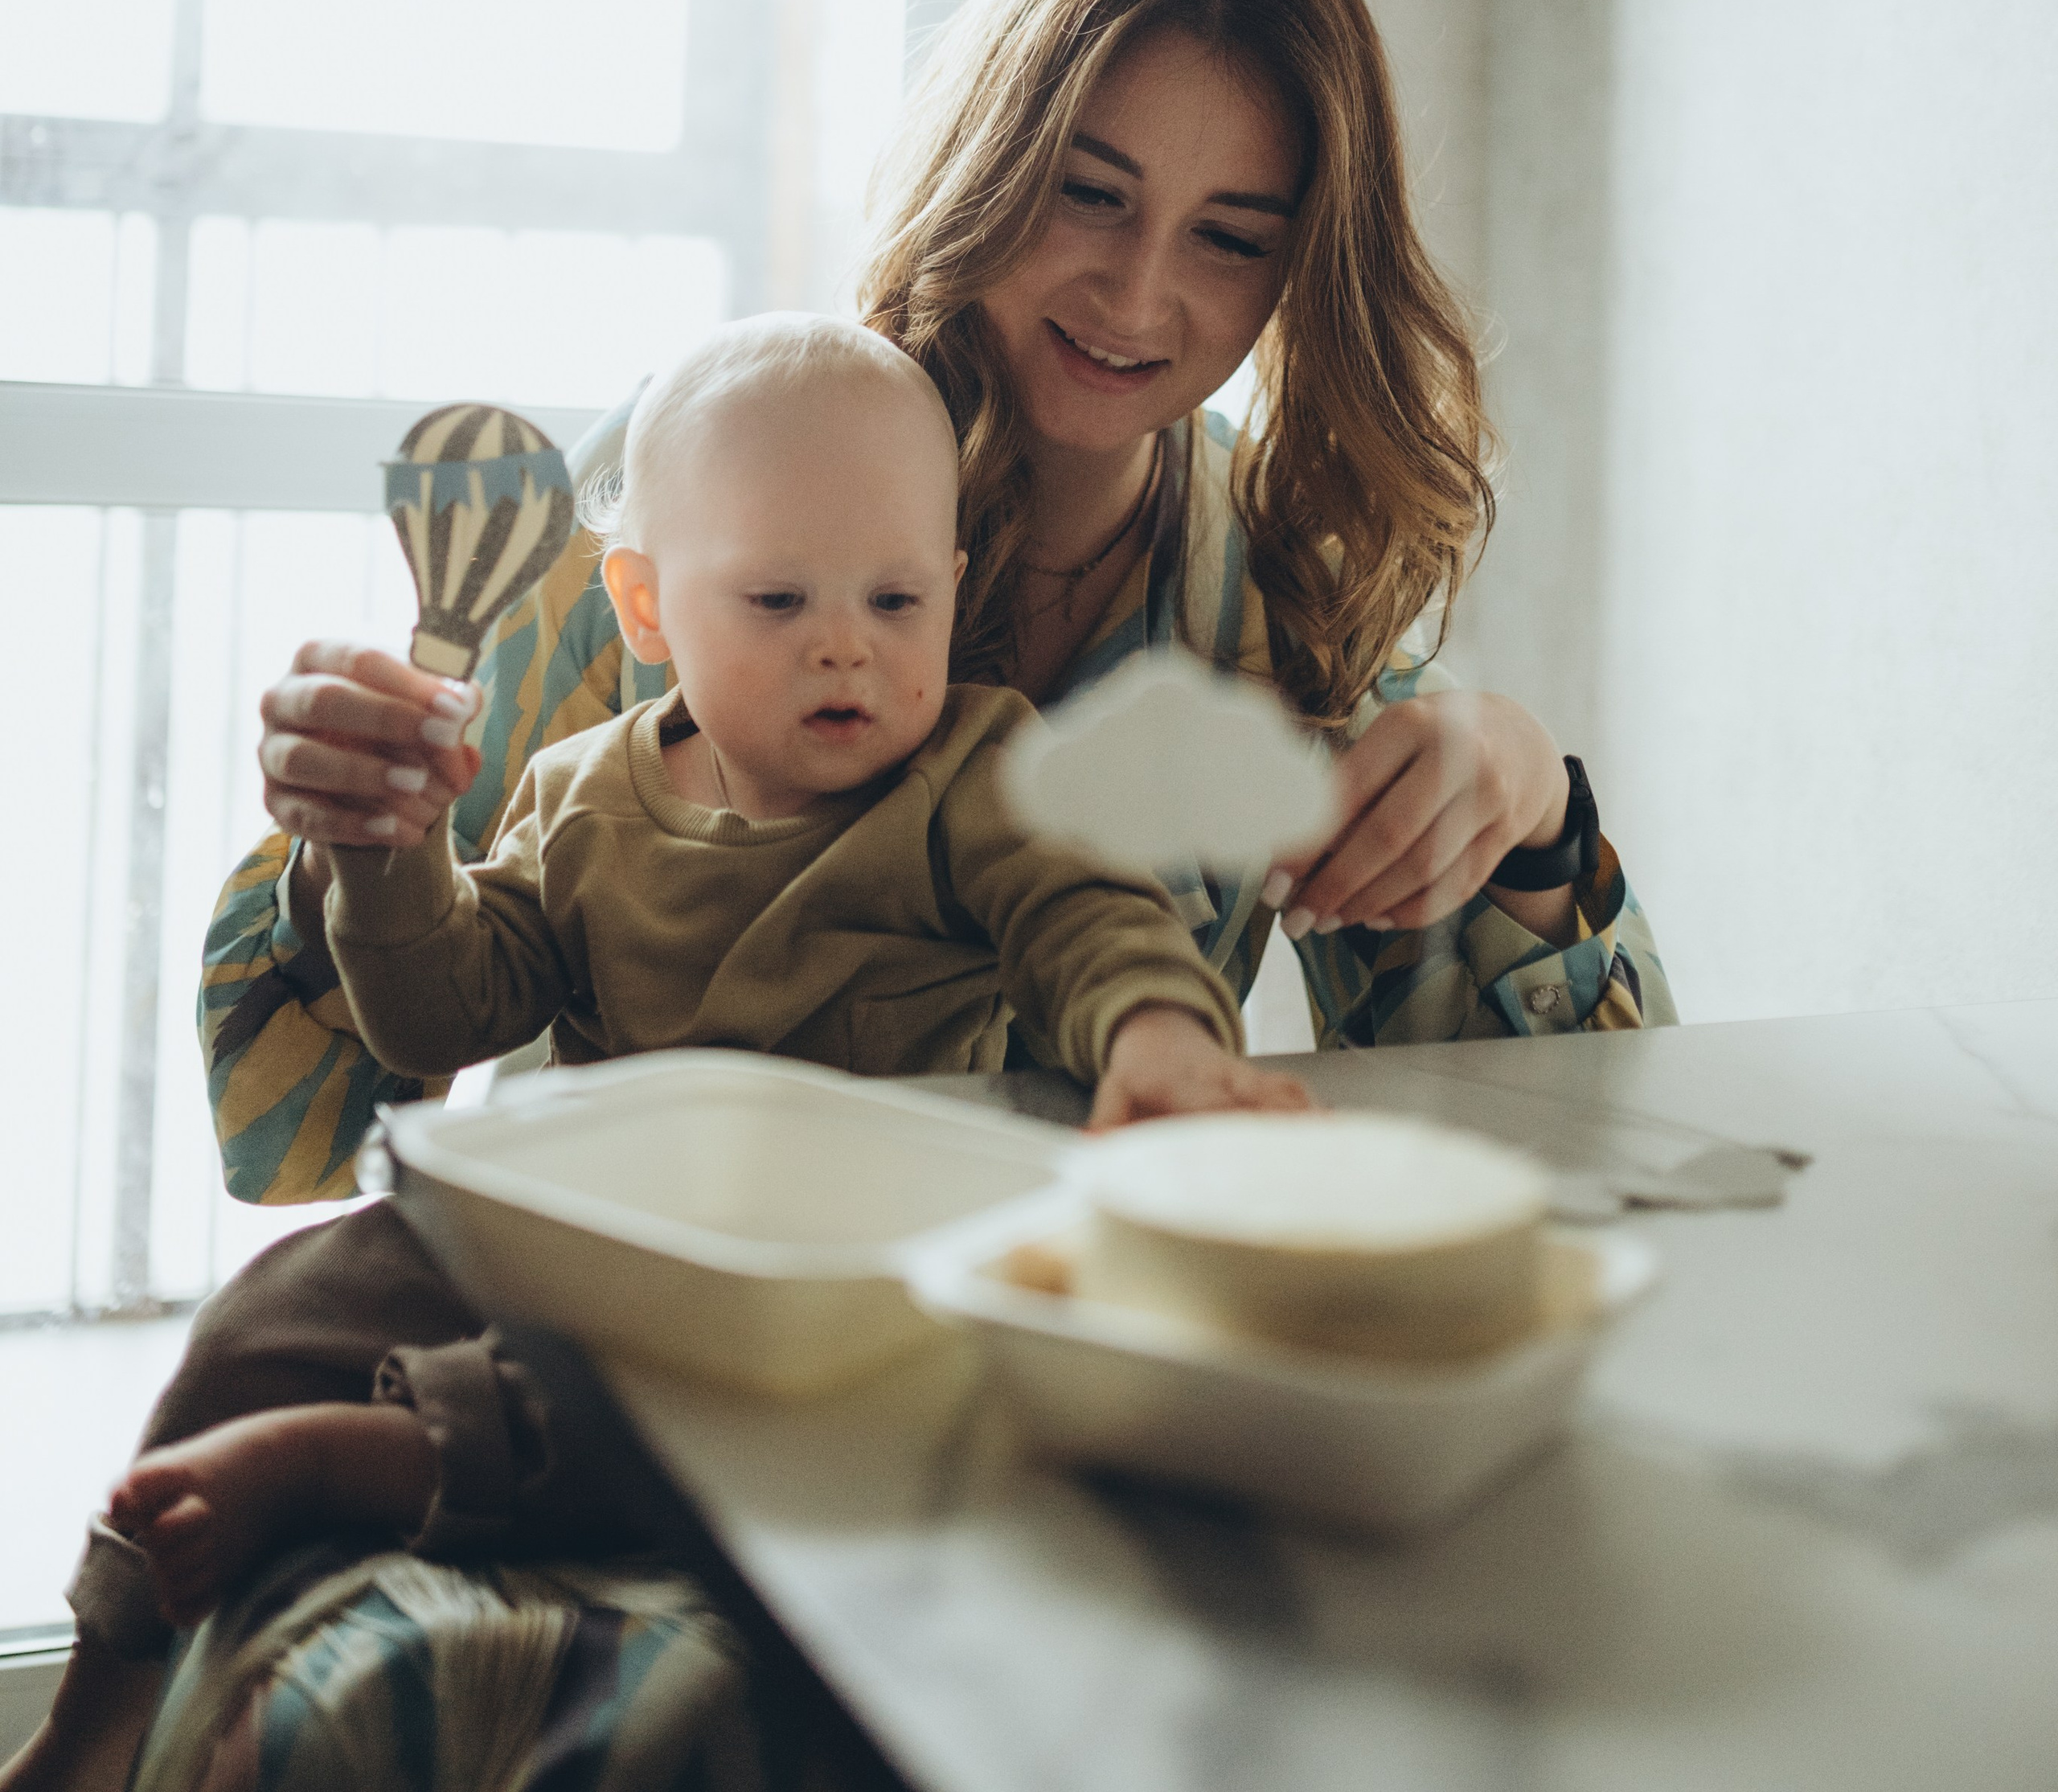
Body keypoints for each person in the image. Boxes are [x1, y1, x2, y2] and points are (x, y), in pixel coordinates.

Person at [14, 0, 1676, 1791]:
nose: (1141, 300)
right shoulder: (732, 460)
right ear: (989, 157)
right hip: (631, 1290)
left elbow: (1530, 1139)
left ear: (1303, 264)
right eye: (1086, 192)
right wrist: (356, 812)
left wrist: (1530, 803)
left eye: (1230, 237)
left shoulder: (1282, 606)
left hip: (1010, 1346)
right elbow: (315, 1107)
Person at [92, 316, 1291, 1646]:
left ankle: (354, 1462)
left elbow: (1091, 915)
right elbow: (444, 1008)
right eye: (778, 602)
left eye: (896, 602)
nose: (847, 647)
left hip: (843, 1288)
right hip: (606, 1245)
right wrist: (390, 854)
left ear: (951, 587)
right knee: (279, 1309)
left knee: (742, 1423)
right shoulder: (582, 795)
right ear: (648, 607)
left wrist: (1160, 1030)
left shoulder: (975, 775)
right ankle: (105, 1698)